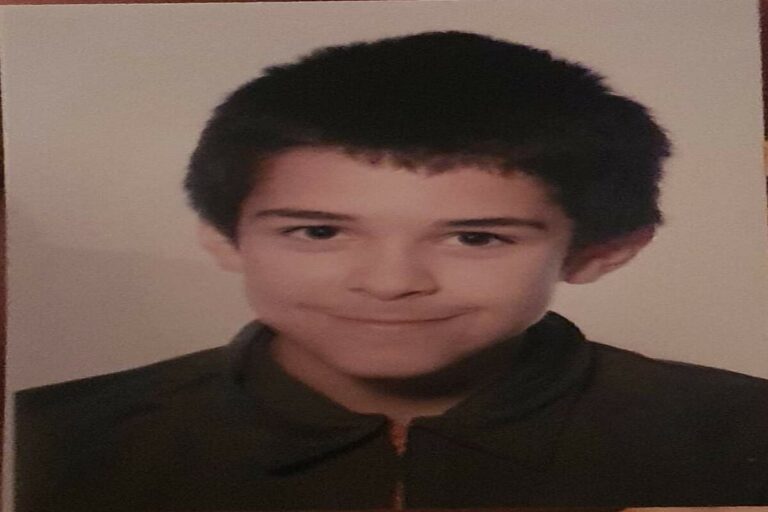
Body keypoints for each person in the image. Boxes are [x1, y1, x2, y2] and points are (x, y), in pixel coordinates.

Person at [14, 31, 768, 511]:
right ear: (224, 238)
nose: (389, 282)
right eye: (319, 231)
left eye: (475, 237)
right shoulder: (48, 439)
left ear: (598, 253)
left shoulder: (741, 431)